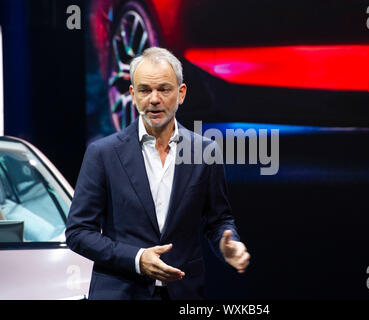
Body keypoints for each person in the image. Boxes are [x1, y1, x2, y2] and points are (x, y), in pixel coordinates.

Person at [65, 47, 250, 300]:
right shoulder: (102, 154)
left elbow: (218, 220)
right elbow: (78, 232)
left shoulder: (206, 151)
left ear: (181, 93)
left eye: (164, 89)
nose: (154, 98)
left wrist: (227, 245)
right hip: (121, 292)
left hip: (185, 293)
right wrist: (138, 259)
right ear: (132, 94)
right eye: (144, 90)